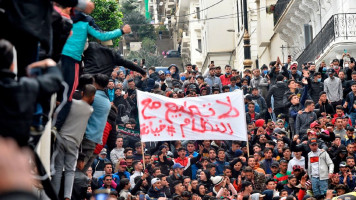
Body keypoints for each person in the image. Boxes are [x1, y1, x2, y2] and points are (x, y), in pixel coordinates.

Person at [52, 84, 96, 199]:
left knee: (57, 168)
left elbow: (61, 105)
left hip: (61, 137)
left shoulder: (72, 103)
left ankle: (55, 196)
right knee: (70, 170)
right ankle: (67, 197)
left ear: (82, 93)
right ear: (93, 97)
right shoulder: (90, 110)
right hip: (74, 142)